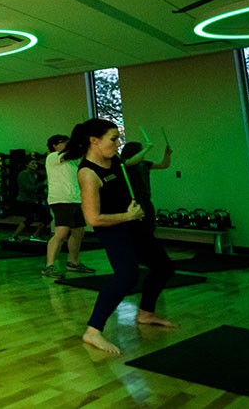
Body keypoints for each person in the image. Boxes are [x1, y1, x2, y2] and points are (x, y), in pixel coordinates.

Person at [66, 119, 175, 354]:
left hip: (133, 223)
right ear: (94, 140)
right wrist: (127, 216)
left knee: (164, 266)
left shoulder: (113, 160)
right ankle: (93, 332)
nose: (118, 144)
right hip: (113, 229)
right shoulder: (88, 173)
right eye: (113, 139)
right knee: (127, 277)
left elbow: (130, 163)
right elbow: (93, 219)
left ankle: (146, 313)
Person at [42, 135, 95, 278]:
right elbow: (73, 153)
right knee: (61, 233)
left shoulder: (73, 161)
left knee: (78, 232)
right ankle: (49, 266)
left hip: (74, 199)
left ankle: (73, 263)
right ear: (55, 145)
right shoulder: (53, 157)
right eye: (64, 142)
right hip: (60, 199)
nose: (67, 144)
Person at [121, 139, 172, 235]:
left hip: (146, 199)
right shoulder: (125, 163)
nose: (143, 154)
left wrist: (167, 154)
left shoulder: (144, 164)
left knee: (150, 226)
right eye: (140, 151)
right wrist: (148, 148)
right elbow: (130, 162)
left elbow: (163, 165)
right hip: (133, 201)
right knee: (138, 228)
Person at [8, 155, 51, 242]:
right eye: (33, 163)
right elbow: (28, 188)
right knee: (30, 219)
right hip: (24, 201)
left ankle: (35, 235)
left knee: (47, 217)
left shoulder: (33, 175)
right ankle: (13, 236)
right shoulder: (23, 174)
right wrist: (43, 184)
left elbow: (35, 188)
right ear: (26, 165)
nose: (35, 165)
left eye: (36, 163)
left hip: (32, 200)